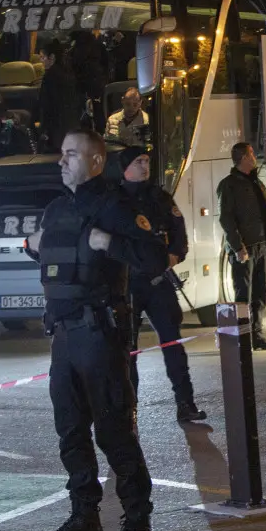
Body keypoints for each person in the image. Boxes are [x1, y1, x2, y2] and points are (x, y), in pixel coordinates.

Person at [25, 129, 169, 531]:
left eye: (71, 154)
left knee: (114, 431)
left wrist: (110, 242)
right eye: (61, 154)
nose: (61, 161)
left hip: (99, 335)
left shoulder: (114, 205)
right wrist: (32, 246)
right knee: (70, 431)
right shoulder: (56, 208)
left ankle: (137, 525)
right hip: (64, 337)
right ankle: (84, 517)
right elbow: (52, 254)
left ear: (94, 161)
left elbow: (155, 258)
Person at [118, 146, 205, 422]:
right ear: (125, 168)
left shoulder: (160, 197)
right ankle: (128, 410)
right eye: (138, 161)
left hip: (158, 282)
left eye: (146, 161)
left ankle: (185, 403)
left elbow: (178, 232)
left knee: (172, 343)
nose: (145, 166)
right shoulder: (114, 200)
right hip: (127, 285)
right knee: (127, 351)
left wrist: (174, 255)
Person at [217, 142, 266, 351]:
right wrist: (238, 247)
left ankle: (257, 334)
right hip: (245, 249)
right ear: (244, 158)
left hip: (262, 245)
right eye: (252, 153)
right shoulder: (229, 185)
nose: (255, 156)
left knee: (260, 294)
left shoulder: (256, 182)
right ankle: (243, 337)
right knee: (243, 294)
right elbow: (227, 220)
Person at [37, 39, 82, 154]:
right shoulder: (69, 74)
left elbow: (46, 104)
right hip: (71, 125)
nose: (40, 61)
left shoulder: (50, 76)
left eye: (42, 57)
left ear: (51, 57)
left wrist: (43, 128)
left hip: (55, 128)